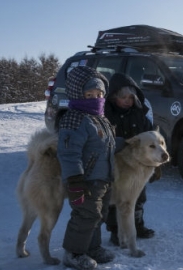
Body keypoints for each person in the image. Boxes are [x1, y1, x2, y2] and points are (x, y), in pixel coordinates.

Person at [57, 66, 115, 270]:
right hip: (85, 180)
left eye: (99, 94)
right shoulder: (75, 119)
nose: (95, 98)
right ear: (76, 94)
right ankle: (73, 253)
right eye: (89, 94)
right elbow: (69, 153)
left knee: (98, 214)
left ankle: (92, 247)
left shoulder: (100, 119)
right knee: (85, 215)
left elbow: (107, 145)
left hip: (103, 178)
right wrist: (75, 181)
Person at [104, 73, 157, 246]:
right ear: (113, 98)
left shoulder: (140, 113)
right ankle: (115, 231)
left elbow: (151, 136)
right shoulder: (106, 115)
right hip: (114, 165)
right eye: (123, 97)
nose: (127, 101)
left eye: (130, 97)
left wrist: (155, 161)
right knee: (114, 199)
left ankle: (137, 225)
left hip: (137, 166)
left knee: (139, 197)